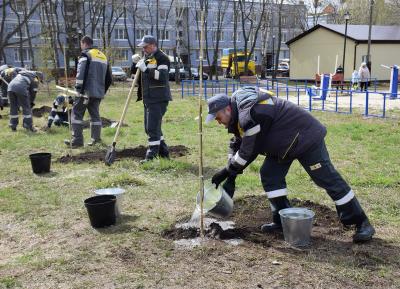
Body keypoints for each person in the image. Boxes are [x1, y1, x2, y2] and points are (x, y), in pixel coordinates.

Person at [206, 86, 375, 243]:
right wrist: (230, 173)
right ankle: (281, 220)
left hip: (305, 138)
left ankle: (361, 222)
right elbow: (238, 142)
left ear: (227, 109)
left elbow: (248, 151)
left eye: (218, 117)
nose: (218, 122)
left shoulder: (249, 114)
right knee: (270, 175)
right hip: (283, 144)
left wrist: (226, 173)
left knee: (326, 178)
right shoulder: (238, 110)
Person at [65, 35, 112, 148]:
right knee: (95, 116)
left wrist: (78, 90)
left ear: (84, 43)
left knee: (76, 113)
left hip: (85, 92)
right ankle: (96, 139)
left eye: (81, 44)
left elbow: (80, 74)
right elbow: (109, 78)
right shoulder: (103, 57)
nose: (81, 47)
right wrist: (102, 91)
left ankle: (77, 141)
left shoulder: (85, 55)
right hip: (98, 93)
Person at [135, 35, 172, 162]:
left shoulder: (162, 58)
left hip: (158, 98)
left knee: (152, 128)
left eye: (145, 47)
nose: (144, 49)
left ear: (152, 45)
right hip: (148, 98)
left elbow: (162, 76)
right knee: (150, 127)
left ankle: (151, 157)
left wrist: (145, 69)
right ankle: (164, 153)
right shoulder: (148, 58)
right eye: (143, 47)